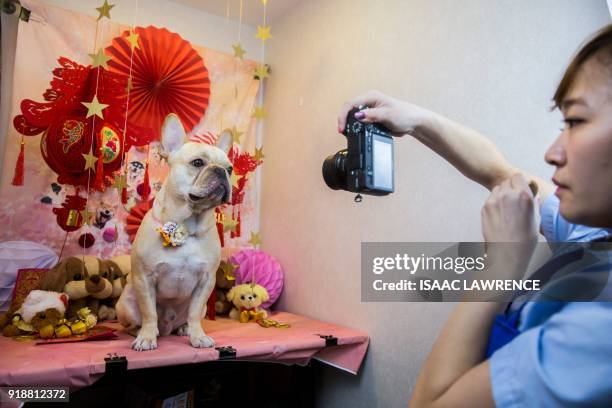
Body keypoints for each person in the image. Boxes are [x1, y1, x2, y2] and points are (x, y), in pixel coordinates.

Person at [338, 24, 612, 407]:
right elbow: (500, 172)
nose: (552, 152)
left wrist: (500, 264)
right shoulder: (594, 235)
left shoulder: (597, 333)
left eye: (576, 122)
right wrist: (414, 119)